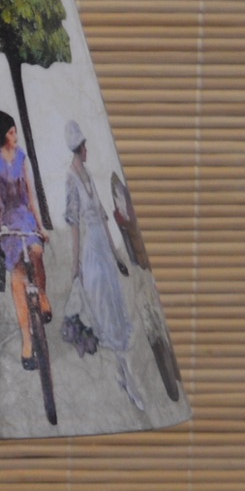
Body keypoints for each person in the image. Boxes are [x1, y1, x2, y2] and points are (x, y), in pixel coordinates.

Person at [63, 120, 144, 411]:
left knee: (116, 305)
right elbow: (74, 225)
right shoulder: (71, 178)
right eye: (85, 146)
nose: (88, 151)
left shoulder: (88, 176)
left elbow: (102, 217)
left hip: (103, 250)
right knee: (104, 309)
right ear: (79, 148)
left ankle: (125, 372)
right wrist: (75, 265)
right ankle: (124, 373)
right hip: (90, 252)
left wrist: (116, 254)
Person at [0, 110, 50, 368]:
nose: (15, 136)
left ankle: (42, 294)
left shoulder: (22, 156)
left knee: (36, 251)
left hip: (25, 216)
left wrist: (40, 226)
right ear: (3, 135)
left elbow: (31, 193)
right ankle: (27, 341)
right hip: (8, 220)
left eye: (15, 131)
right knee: (18, 278)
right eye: (11, 132)